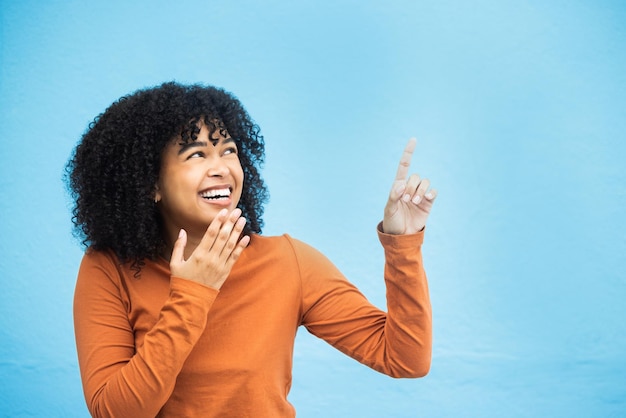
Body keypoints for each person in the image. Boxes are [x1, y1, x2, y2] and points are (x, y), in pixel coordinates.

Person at [66, 81, 437, 418]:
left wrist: (402, 244)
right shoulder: (108, 268)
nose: (222, 168)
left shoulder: (288, 262)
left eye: (229, 151)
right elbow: (115, 412)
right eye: (196, 155)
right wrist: (193, 293)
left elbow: (405, 358)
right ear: (151, 183)